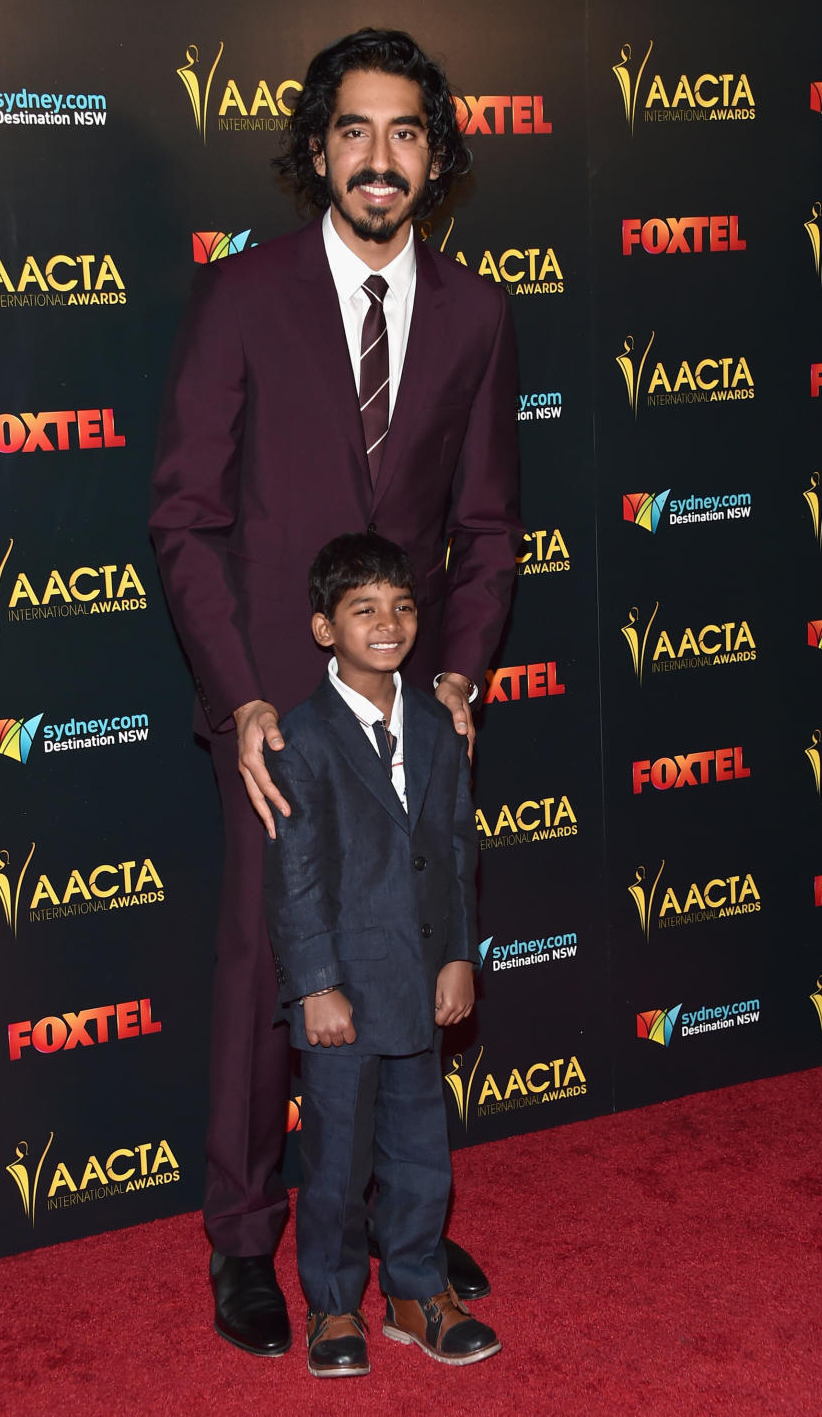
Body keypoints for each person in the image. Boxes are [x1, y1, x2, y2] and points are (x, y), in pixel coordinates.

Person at [150, 26, 521, 1357]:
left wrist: (463, 676)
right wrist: (244, 695)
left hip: (410, 716)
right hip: (275, 714)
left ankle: (384, 1228)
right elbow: (186, 516)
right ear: (317, 148)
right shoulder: (245, 297)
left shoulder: (477, 312)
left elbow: (486, 527)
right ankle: (248, 1238)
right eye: (356, 130)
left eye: (407, 132)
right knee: (275, 964)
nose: (381, 157)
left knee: (409, 969)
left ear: (437, 156)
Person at [264, 533, 501, 1377]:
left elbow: (454, 847)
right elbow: (294, 878)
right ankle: (332, 1307)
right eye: (363, 609)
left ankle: (414, 1291)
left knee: (420, 1150)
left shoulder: (441, 723)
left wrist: (459, 956)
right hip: (342, 994)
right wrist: (317, 985)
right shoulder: (299, 738)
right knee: (335, 1162)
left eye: (401, 606)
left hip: (421, 974)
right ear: (325, 628)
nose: (388, 623)